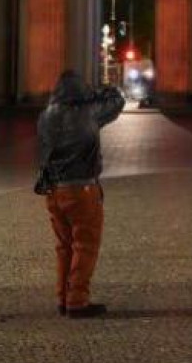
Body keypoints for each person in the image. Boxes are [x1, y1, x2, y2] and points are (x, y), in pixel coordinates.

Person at [35, 68, 125, 318]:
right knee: (85, 245)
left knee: (64, 246)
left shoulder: (45, 116)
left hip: (54, 189)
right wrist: (98, 90)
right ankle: (77, 300)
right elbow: (118, 100)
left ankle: (63, 298)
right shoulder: (89, 111)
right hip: (82, 188)